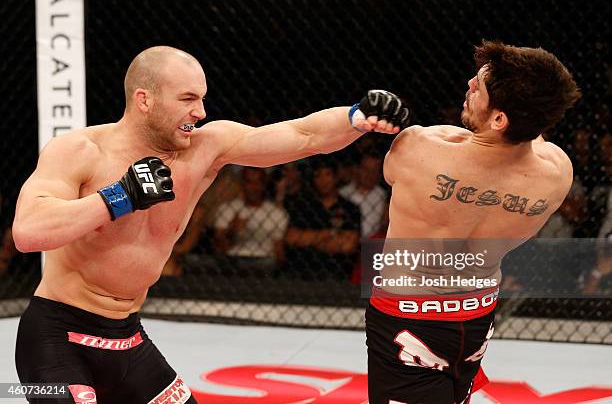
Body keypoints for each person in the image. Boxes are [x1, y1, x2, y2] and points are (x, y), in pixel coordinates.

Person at [12, 46, 409, 403]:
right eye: (187, 99)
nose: (200, 112)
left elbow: (301, 135)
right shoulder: (80, 150)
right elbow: (28, 231)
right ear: (144, 100)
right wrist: (120, 197)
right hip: (54, 339)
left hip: (127, 340)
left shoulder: (206, 148)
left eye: (201, 99)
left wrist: (357, 117)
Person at [363, 40, 580, 404]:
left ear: (499, 119)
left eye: (479, 86)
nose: (469, 84)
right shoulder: (557, 172)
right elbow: (528, 127)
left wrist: (369, 116)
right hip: (477, 314)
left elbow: (394, 167)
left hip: (408, 316)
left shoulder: (417, 148)